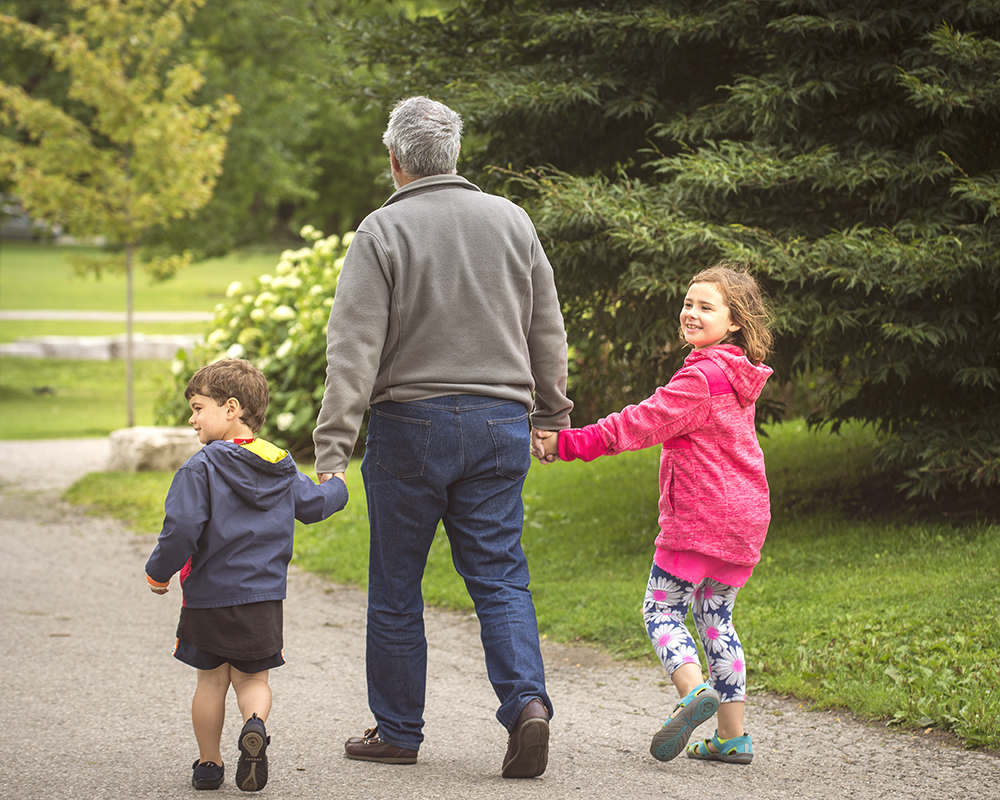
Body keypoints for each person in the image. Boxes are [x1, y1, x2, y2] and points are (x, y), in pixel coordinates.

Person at [312, 95, 572, 779]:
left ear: (395, 160)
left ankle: (398, 730)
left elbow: (353, 349)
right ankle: (526, 706)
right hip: (500, 424)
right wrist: (551, 414)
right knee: (500, 574)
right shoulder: (512, 221)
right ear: (452, 156)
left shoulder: (381, 231)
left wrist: (334, 448)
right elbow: (546, 324)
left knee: (397, 583)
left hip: (410, 427)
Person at [535, 263, 773, 766]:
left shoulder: (701, 377)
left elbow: (637, 425)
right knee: (716, 620)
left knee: (661, 611)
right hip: (746, 516)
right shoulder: (737, 374)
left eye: (706, 307)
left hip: (700, 516)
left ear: (734, 321)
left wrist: (568, 442)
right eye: (688, 303)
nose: (690, 313)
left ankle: (692, 693)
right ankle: (732, 738)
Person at [146, 358, 348, 791]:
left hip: (207, 597)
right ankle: (254, 724)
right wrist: (336, 486)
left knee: (211, 681)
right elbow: (313, 506)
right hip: (263, 598)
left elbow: (180, 530)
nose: (192, 417)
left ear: (231, 408)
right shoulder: (279, 463)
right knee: (253, 680)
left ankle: (209, 764)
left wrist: (157, 572)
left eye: (199, 407)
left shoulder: (199, 468)